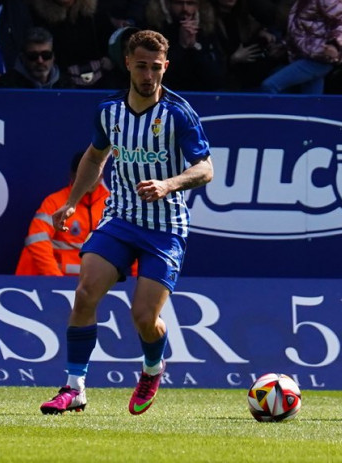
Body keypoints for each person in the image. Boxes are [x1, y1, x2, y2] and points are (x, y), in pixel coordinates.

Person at [39, 29, 214, 415]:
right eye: (141, 66)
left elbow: (205, 168)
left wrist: (170, 183)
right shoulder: (109, 111)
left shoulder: (178, 113)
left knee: (144, 318)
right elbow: (94, 158)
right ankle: (74, 387)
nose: (148, 75)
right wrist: (72, 202)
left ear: (165, 67)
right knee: (85, 293)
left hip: (166, 227)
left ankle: (152, 368)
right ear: (128, 65)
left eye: (155, 68)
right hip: (119, 218)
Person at [15, 152, 110, 277]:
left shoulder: (112, 204)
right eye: (84, 176)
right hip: (55, 278)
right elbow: (37, 240)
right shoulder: (55, 202)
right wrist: (56, 279)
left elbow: (131, 242)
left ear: (101, 176)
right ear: (72, 176)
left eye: (95, 176)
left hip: (96, 283)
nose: (90, 181)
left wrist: (135, 283)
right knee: (31, 252)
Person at [260, 0, 342, 94]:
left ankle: (271, 109)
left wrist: (334, 44)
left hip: (319, 56)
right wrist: (284, 45)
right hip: (307, 56)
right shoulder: (300, 2)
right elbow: (300, 30)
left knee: (270, 86)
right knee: (311, 101)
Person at [27, 0, 119, 89]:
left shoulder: (96, 10)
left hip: (100, 78)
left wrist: (109, 59)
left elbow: (109, 40)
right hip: (59, 82)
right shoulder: (37, 14)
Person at [144, 0, 227, 91]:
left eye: (190, 3)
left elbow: (217, 76)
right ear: (168, 4)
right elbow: (155, 74)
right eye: (179, 3)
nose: (185, 9)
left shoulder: (207, 30)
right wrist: (181, 46)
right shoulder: (155, 31)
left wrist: (195, 46)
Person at [0, 27, 73, 89]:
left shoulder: (67, 85)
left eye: (46, 55)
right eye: (33, 56)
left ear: (53, 57)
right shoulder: (6, 85)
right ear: (23, 58)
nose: (40, 61)